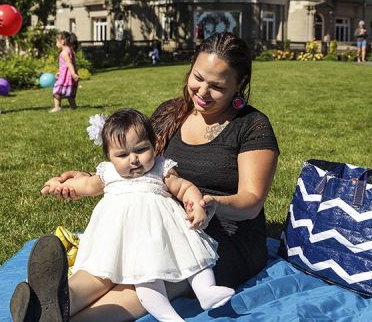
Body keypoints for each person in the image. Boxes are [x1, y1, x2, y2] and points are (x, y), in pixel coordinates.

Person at [13, 32, 279, 321]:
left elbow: (251, 202)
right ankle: (48, 304)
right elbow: (140, 164)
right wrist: (91, 176)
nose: (202, 91)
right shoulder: (170, 113)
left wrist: (212, 203)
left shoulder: (252, 126)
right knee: (107, 265)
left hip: (221, 238)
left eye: (216, 86)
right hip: (157, 225)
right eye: (198, 77)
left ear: (239, 84)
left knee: (143, 279)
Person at [15, 109, 234, 322]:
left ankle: (44, 309)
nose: (133, 159)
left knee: (149, 278)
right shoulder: (108, 173)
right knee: (100, 274)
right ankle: (45, 304)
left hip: (152, 243)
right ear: (109, 157)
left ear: (154, 145)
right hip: (114, 241)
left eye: (141, 149)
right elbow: (85, 185)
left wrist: (195, 204)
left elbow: (184, 187)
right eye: (122, 154)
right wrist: (59, 184)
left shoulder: (161, 168)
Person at [51, 31, 79, 112]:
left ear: (62, 42)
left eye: (57, 42)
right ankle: (73, 107)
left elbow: (69, 63)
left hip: (65, 78)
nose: (56, 44)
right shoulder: (69, 50)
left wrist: (73, 73)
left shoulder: (64, 52)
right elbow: (66, 65)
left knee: (57, 92)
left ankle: (57, 107)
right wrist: (60, 72)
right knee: (70, 94)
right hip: (67, 76)